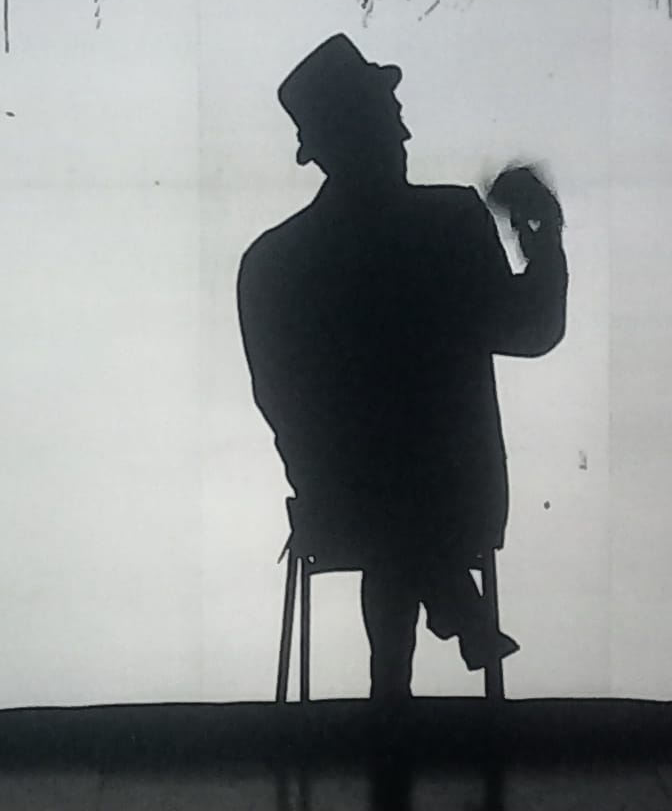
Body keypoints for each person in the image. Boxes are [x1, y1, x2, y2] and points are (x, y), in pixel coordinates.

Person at [238, 34, 568, 700]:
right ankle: (450, 612)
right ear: (358, 133)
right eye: (389, 119)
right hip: (453, 496)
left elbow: (278, 401)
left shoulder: (272, 261)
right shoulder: (448, 223)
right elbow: (530, 330)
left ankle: (416, 657)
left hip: (337, 499)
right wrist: (543, 241)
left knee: (390, 504)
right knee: (406, 501)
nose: (405, 133)